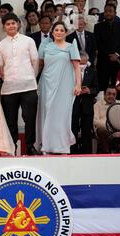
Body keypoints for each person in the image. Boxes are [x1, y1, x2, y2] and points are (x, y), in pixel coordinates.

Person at [0, 13, 40, 156]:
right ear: (4, 27)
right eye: (8, 24)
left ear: (18, 24)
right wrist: (8, 78)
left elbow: (35, 61)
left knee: (30, 118)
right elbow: (0, 68)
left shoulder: (28, 41)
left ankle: (30, 146)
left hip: (28, 86)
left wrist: (29, 77)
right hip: (8, 88)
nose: (11, 26)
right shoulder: (1, 45)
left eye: (13, 23)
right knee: (11, 120)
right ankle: (12, 147)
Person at [37, 21, 81, 155]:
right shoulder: (46, 46)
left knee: (62, 115)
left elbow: (77, 67)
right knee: (47, 113)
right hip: (46, 84)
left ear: (65, 33)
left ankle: (62, 147)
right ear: (52, 32)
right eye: (56, 30)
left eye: (62, 30)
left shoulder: (71, 46)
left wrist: (78, 84)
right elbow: (39, 65)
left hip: (65, 86)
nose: (59, 32)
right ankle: (46, 146)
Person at [94, 3, 120, 90]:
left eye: (110, 11)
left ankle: (118, 103)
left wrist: (116, 55)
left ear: (115, 13)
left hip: (119, 61)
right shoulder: (98, 26)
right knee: (102, 86)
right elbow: (98, 44)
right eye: (106, 11)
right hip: (103, 61)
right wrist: (110, 55)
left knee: (118, 85)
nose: (108, 13)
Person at [71, 52, 99, 154]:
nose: (82, 65)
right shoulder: (70, 71)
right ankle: (72, 152)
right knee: (72, 130)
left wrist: (89, 90)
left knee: (86, 132)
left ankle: (87, 153)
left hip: (87, 106)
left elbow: (96, 88)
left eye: (84, 63)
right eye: (80, 63)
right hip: (73, 105)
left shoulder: (92, 72)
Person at [93, 86, 119, 154]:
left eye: (114, 94)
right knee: (101, 130)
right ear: (104, 94)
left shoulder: (119, 104)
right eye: (109, 93)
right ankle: (106, 153)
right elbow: (94, 121)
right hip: (104, 130)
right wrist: (108, 126)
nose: (111, 96)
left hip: (118, 131)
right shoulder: (97, 105)